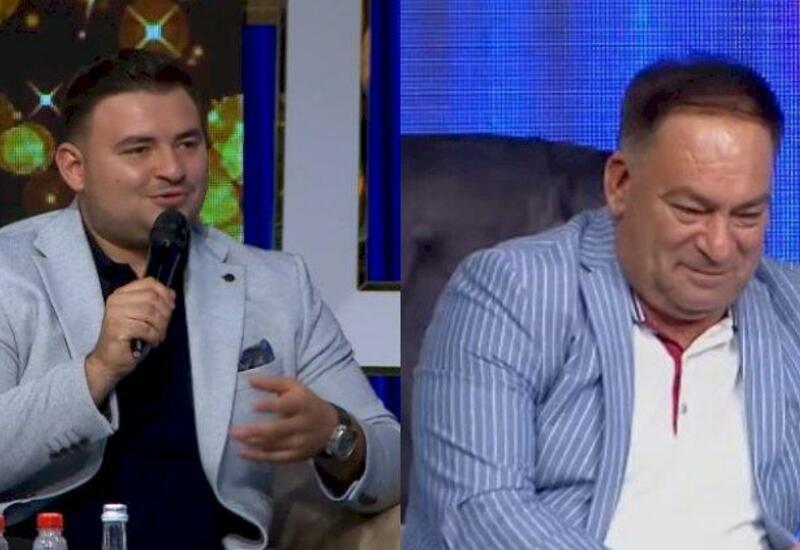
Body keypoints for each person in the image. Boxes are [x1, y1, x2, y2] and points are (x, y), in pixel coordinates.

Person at [0, 49, 399, 549]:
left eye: (188, 144)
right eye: (139, 150)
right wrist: (95, 371)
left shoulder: (276, 283)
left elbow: (393, 464)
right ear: (74, 168)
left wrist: (335, 434)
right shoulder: (11, 271)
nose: (173, 169)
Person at [404, 56, 800, 549]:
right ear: (620, 185)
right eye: (691, 210)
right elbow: (479, 513)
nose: (719, 247)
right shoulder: (508, 292)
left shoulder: (788, 305)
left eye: (746, 215)